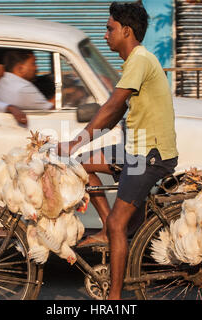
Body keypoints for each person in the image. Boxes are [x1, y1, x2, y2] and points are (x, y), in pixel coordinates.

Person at [58, 1, 178, 300]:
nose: (104, 34)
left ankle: (114, 299)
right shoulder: (134, 62)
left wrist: (74, 141)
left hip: (150, 155)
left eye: (109, 29)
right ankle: (108, 232)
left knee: (118, 223)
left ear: (126, 31)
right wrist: (80, 145)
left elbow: (112, 105)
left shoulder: (139, 60)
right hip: (135, 150)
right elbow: (113, 114)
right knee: (83, 165)